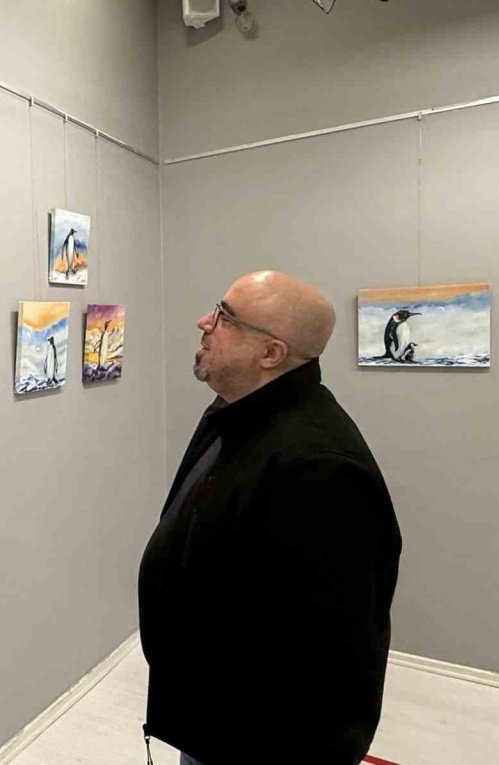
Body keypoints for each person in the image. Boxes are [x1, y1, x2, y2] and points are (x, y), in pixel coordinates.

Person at [138, 271, 402, 765]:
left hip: (256, 740)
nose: (204, 322)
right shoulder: (236, 412)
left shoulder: (319, 466)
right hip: (210, 716)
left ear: (271, 353)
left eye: (225, 317)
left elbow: (331, 651)